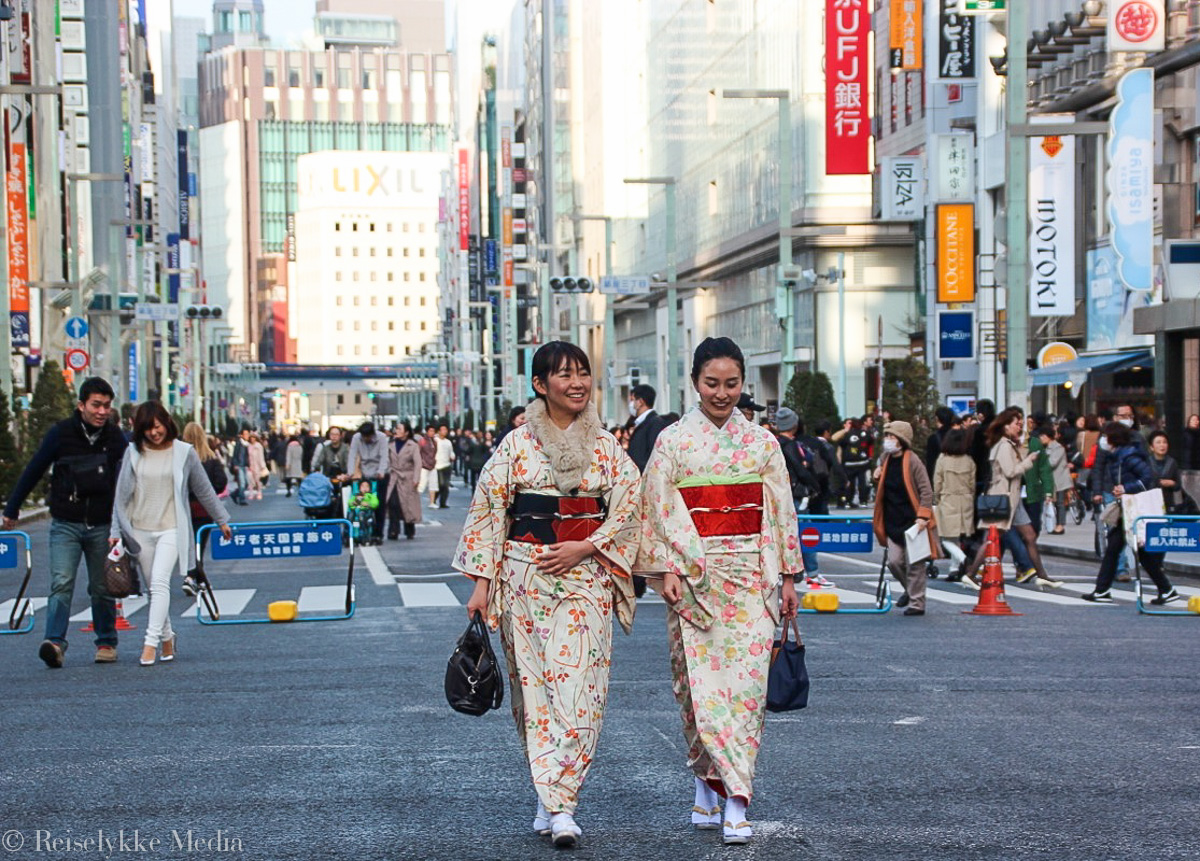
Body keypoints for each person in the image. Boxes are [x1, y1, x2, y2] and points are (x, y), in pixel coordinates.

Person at [455, 341, 641, 849]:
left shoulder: (607, 447)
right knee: (534, 695)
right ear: (540, 385)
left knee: (581, 693)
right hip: (524, 579)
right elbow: (490, 513)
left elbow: (629, 510)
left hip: (586, 579)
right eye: (564, 375)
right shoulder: (515, 446)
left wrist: (586, 545)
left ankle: (560, 801)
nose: (577, 383)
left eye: (584, 373)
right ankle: (553, 798)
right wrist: (481, 585)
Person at [636, 337, 801, 846]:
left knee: (745, 694)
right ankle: (706, 781)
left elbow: (780, 511)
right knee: (696, 690)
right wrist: (665, 567)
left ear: (743, 383)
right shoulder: (672, 442)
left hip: (751, 576)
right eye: (712, 383)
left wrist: (789, 576)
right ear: (694, 383)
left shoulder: (762, 444)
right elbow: (656, 509)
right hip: (692, 577)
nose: (722, 394)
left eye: (732, 384)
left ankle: (736, 798)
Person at [2, 378, 129, 667]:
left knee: (102, 585)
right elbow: (34, 469)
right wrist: (12, 508)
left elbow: (131, 477)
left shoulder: (115, 437)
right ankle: (54, 643)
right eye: (96, 405)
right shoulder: (61, 434)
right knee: (61, 583)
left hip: (102, 524)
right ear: (81, 405)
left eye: (107, 406)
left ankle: (106, 641)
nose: (101, 411)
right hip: (66, 523)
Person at [109, 402, 231, 666]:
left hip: (172, 528)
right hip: (139, 529)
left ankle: (149, 643)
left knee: (161, 582)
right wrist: (116, 531)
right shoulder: (132, 453)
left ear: (167, 423)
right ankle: (167, 636)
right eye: (147, 429)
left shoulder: (183, 452)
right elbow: (121, 498)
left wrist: (221, 519)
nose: (154, 433)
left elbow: (203, 488)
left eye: (158, 426)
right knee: (155, 589)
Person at [1082, 423, 1183, 605]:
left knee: (1121, 549)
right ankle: (1165, 589)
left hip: (1134, 507)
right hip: (1128, 508)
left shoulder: (1128, 456)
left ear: (1114, 438)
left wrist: (1125, 488)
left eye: (1106, 436)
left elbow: (1148, 477)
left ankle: (1103, 590)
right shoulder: (1118, 456)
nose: (1103, 440)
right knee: (1125, 549)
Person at [964, 408, 1061, 589]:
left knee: (1030, 535)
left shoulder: (1009, 444)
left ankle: (1042, 575)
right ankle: (970, 574)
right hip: (1003, 498)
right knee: (992, 537)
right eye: (1017, 423)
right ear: (1005, 425)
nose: (1020, 427)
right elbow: (1011, 471)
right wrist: (1029, 460)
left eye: (1021, 423)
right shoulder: (1003, 445)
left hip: (1012, 499)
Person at [872, 421, 939, 616]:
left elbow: (926, 490)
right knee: (894, 561)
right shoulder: (885, 458)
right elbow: (881, 481)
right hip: (892, 519)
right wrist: (876, 475)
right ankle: (910, 591)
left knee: (915, 563)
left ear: (902, 440)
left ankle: (917, 603)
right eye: (887, 437)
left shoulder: (913, 461)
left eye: (892, 437)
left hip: (912, 520)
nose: (888, 441)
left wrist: (923, 516)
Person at [774, 407, 831, 588]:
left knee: (780, 535)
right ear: (794, 424)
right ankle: (812, 573)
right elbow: (800, 470)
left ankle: (784, 572)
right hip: (795, 495)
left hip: (776, 495)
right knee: (805, 533)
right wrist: (814, 485)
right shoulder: (790, 445)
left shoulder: (772, 443)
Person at [180, 422, 228, 598]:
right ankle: (194, 578)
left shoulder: (180, 458)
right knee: (199, 544)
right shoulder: (210, 458)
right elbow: (221, 481)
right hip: (204, 508)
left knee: (187, 544)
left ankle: (195, 578)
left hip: (184, 506)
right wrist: (210, 492)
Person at [932, 427, 976, 581]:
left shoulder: (943, 459)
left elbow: (937, 483)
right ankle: (954, 569)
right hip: (965, 500)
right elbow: (972, 484)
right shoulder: (969, 460)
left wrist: (936, 498)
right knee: (957, 538)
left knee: (945, 538)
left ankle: (963, 559)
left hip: (948, 499)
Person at [349, 422, 388, 540]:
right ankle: (358, 531)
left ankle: (378, 533)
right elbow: (352, 455)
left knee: (379, 504)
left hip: (378, 473)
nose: (366, 439)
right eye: (364, 436)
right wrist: (350, 472)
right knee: (359, 501)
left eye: (368, 436)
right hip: (364, 472)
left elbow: (384, 456)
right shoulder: (357, 438)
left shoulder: (381, 438)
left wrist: (381, 471)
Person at [384, 423, 423, 540]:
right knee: (393, 503)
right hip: (394, 477)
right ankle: (393, 530)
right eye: (396, 429)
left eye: (400, 429)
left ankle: (409, 529)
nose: (397, 431)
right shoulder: (390, 444)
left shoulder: (413, 445)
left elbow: (418, 463)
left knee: (408, 505)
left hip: (408, 478)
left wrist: (416, 479)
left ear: (406, 432)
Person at [626, 383, 667, 472]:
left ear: (640, 402)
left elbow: (654, 455)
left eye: (632, 400)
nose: (631, 404)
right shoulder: (642, 423)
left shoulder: (655, 423)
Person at [836, 418, 872, 507]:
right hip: (862, 462)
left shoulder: (847, 435)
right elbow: (870, 442)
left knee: (850, 482)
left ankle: (848, 501)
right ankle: (863, 501)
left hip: (849, 463)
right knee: (862, 482)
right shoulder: (865, 434)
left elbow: (841, 443)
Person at [1044, 425, 1073, 534]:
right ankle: (1054, 524)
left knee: (1060, 503)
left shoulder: (1058, 448)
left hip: (1060, 480)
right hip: (1052, 480)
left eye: (1043, 436)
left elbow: (1052, 463)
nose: (1041, 438)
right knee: (1053, 503)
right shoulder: (1046, 448)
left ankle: (1060, 525)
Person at [1147, 430, 1183, 512]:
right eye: (1158, 442)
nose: (1162, 445)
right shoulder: (1146, 462)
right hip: (1150, 502)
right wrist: (1158, 483)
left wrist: (1172, 484)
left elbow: (1179, 485)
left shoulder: (1172, 462)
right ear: (1151, 447)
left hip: (1168, 502)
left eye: (1164, 442)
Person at [347, 479, 380, 545]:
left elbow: (375, 503)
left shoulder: (371, 496)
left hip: (366, 512)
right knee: (350, 515)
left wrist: (368, 504)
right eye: (362, 486)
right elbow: (350, 502)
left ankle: (364, 534)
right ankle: (350, 534)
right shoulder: (356, 496)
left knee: (361, 515)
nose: (364, 488)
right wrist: (354, 503)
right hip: (356, 512)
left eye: (367, 486)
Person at [434, 424, 455, 508]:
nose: (444, 431)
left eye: (445, 430)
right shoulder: (435, 441)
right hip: (437, 466)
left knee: (446, 485)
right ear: (439, 431)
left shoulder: (448, 442)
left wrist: (452, 456)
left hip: (447, 465)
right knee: (440, 484)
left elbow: (451, 452)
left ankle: (443, 503)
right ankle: (434, 498)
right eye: (442, 430)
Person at [417, 425, 437, 505]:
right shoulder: (422, 441)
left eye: (433, 431)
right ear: (427, 431)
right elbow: (418, 452)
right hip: (424, 466)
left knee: (433, 484)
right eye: (430, 431)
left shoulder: (434, 442)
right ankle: (415, 501)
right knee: (421, 485)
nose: (432, 433)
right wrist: (421, 462)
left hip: (432, 465)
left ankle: (432, 502)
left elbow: (435, 452)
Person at [229, 429, 250, 506]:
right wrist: (235, 465)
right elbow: (235, 455)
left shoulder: (246, 444)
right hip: (239, 465)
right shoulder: (239, 444)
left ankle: (234, 494)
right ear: (241, 435)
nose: (247, 436)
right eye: (245, 434)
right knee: (242, 483)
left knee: (246, 484)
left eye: (248, 434)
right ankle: (242, 499)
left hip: (244, 466)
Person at [247, 432, 267, 501]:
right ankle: (251, 493)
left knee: (258, 480)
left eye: (253, 438)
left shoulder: (258, 446)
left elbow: (261, 456)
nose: (252, 439)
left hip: (257, 465)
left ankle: (259, 492)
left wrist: (262, 466)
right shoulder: (248, 446)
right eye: (251, 438)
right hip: (250, 465)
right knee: (250, 480)